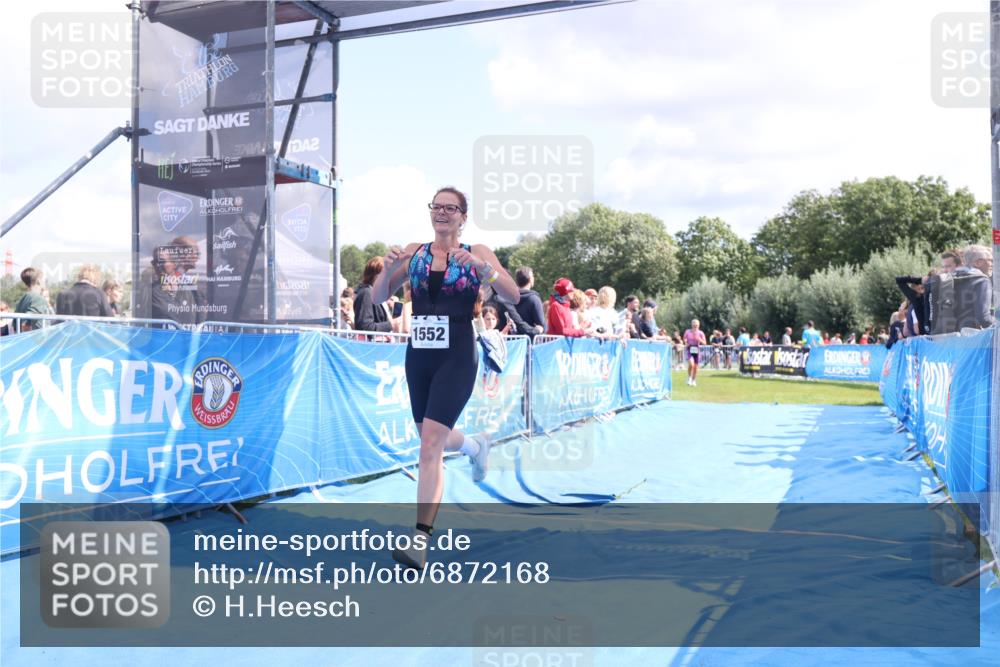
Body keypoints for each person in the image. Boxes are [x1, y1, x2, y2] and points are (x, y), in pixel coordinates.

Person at [372, 187, 519, 570]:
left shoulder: (478, 251)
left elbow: (514, 295)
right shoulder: (415, 251)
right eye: (436, 206)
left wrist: (484, 270)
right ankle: (474, 446)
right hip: (418, 353)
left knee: (430, 446)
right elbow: (377, 296)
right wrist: (388, 270)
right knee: (428, 435)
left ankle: (419, 540)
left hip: (456, 351)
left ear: (462, 216)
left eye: (450, 208)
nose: (442, 213)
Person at [354, 257, 394, 334]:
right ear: (373, 275)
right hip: (372, 344)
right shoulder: (366, 293)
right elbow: (364, 327)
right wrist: (391, 325)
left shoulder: (378, 295)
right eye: (384, 274)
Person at [512, 266, 545, 338]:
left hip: (512, 341)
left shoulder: (509, 298)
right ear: (530, 280)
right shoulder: (534, 299)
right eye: (533, 276)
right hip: (530, 340)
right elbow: (541, 324)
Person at [683, 318, 707, 386]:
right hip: (689, 348)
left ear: (698, 325)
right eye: (694, 325)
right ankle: (689, 378)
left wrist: (699, 339)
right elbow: (684, 338)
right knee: (691, 364)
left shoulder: (701, 333)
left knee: (696, 366)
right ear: (691, 325)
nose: (695, 326)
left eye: (696, 325)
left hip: (697, 349)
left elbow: (705, 343)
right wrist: (686, 342)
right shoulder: (687, 331)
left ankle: (693, 380)